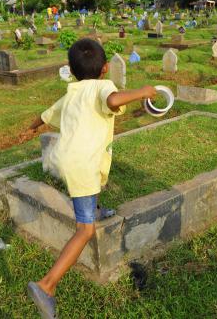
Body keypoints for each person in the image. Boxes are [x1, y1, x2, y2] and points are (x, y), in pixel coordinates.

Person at [20, 39, 157, 319]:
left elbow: (44, 115)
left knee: (95, 182)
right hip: (82, 164)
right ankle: (47, 286)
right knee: (85, 230)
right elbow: (113, 100)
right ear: (106, 68)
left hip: (72, 159)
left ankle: (93, 208)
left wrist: (30, 130)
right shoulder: (103, 86)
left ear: (70, 71)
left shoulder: (71, 92)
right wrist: (143, 91)